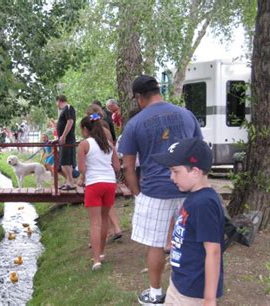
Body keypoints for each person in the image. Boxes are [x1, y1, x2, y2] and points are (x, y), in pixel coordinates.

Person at [118, 75, 203, 305]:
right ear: (158, 90)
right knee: (189, 243)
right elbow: (200, 151)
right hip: (188, 188)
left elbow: (127, 164)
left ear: (138, 98)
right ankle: (188, 292)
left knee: (155, 244)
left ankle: (155, 294)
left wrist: (137, 192)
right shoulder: (187, 115)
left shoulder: (135, 123)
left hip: (154, 191)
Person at [152, 138, 224, 306]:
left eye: (175, 171)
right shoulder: (194, 198)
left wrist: (209, 299)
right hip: (180, 284)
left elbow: (213, 251)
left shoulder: (204, 204)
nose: (171, 177)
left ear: (196, 172)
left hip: (193, 294)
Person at [77, 114, 120, 270]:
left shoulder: (84, 145)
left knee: (95, 223)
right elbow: (116, 167)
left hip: (94, 184)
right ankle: (101, 252)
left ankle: (96, 260)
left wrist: (82, 176)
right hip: (109, 183)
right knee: (104, 220)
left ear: (85, 129)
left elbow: (82, 169)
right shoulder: (108, 144)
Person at [85, 104, 123, 244]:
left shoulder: (93, 130)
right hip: (109, 169)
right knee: (108, 204)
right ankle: (115, 228)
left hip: (98, 171)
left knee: (102, 208)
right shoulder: (105, 126)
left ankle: (103, 236)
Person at [56, 95, 76, 190]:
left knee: (66, 162)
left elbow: (70, 121)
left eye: (57, 103)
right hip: (63, 140)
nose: (57, 105)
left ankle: (71, 183)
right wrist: (59, 138)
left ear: (59, 101)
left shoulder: (68, 107)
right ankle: (68, 181)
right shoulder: (64, 110)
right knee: (63, 162)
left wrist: (63, 136)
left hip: (67, 139)